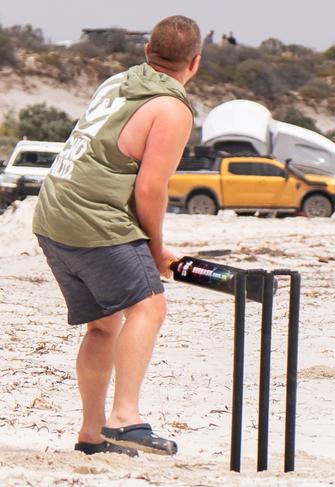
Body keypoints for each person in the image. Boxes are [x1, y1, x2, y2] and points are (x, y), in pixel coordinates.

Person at [32, 15, 202, 455]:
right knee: (149, 306)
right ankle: (125, 418)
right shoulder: (172, 108)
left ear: (148, 51)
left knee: (104, 325)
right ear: (195, 63)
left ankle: (92, 435)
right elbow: (150, 187)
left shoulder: (118, 81)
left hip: (52, 213)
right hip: (93, 220)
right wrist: (157, 248)